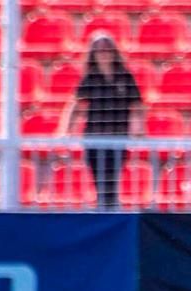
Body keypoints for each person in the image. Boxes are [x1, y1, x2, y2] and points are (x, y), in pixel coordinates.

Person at [63, 33, 144, 209]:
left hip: (118, 137)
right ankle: (104, 208)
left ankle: (110, 208)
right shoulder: (91, 77)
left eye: (107, 49)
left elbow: (137, 105)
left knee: (113, 177)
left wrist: (138, 128)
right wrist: (66, 130)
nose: (104, 53)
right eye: (99, 50)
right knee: (99, 177)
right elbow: (76, 105)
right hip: (94, 137)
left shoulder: (125, 76)